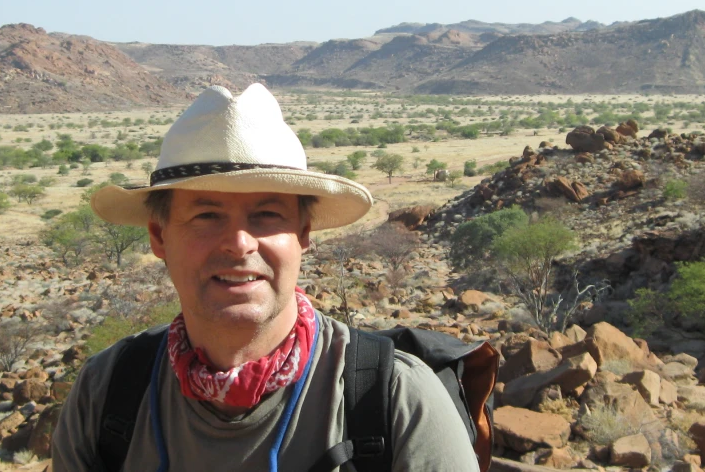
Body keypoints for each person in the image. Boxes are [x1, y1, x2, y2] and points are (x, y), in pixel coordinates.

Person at [52, 84, 480, 471]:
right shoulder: (107, 391)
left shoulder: (393, 400)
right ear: (159, 237)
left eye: (267, 215)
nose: (239, 244)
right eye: (206, 215)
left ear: (303, 234)